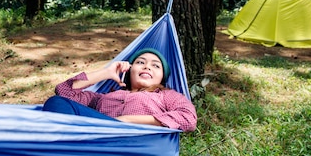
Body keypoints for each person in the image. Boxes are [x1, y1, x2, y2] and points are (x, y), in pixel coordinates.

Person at [42, 48, 197, 132]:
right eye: (140, 62)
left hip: (136, 140)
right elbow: (64, 91)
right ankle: (66, 150)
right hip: (98, 135)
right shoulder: (104, 97)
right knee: (56, 102)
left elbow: (188, 118)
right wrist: (107, 72)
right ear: (129, 70)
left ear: (162, 77)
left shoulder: (167, 95)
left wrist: (126, 121)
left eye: (156, 65)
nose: (147, 66)